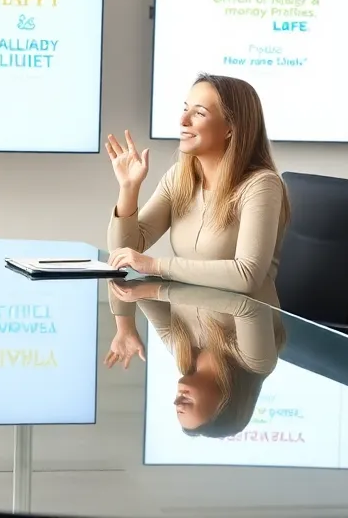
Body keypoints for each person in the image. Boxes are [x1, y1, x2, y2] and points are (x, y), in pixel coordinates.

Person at [104, 74, 290, 372]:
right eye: (185, 108)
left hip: (250, 314)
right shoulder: (180, 176)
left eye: (199, 113)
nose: (183, 119)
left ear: (231, 128)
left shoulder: (260, 185)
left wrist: (153, 267)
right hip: (193, 301)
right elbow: (126, 253)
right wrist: (128, 189)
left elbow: (247, 276)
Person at [107, 279, 284, 438]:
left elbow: (133, 284)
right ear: (225, 404)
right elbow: (247, 308)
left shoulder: (179, 349)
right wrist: (157, 291)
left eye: (176, 402)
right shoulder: (256, 363)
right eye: (185, 402)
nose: (176, 399)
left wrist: (125, 327)